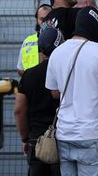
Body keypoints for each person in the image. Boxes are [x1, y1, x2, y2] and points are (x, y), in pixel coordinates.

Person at [45, 6, 98, 176]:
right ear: (95, 26)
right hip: (91, 134)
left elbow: (54, 93)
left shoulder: (56, 53)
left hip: (64, 134)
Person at [15, 26, 64, 176]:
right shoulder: (66, 73)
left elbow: (18, 109)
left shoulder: (28, 75)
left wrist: (25, 138)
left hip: (37, 141)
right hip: (63, 139)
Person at [17, 4, 52, 77]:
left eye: (47, 19)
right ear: (37, 20)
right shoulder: (27, 41)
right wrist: (31, 79)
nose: (45, 23)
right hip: (31, 86)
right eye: (42, 19)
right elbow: (20, 69)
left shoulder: (60, 39)